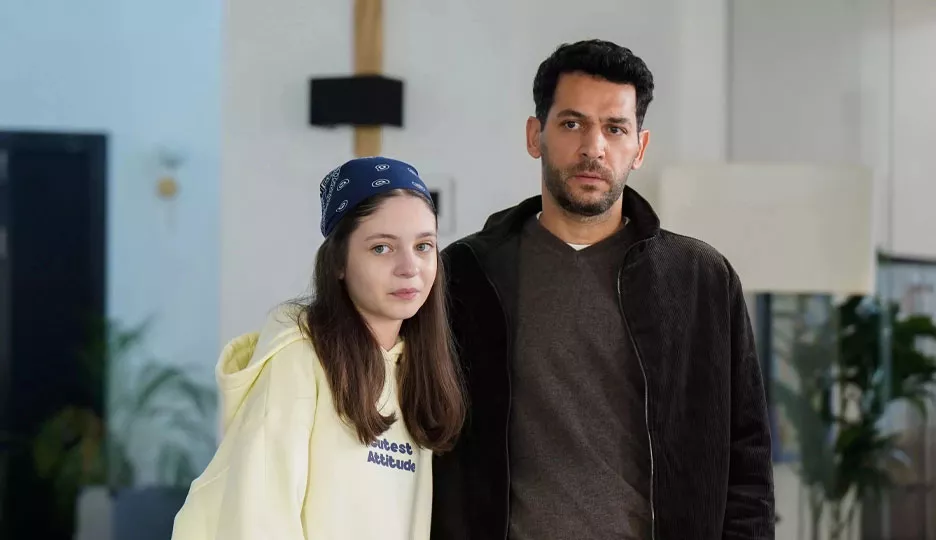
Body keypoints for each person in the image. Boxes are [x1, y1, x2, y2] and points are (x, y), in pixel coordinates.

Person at [431, 39, 775, 540]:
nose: (594, 148)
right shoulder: (466, 274)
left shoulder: (700, 279)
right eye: (572, 124)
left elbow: (748, 456)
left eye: (615, 128)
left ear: (640, 147)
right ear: (535, 136)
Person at [171, 156, 466, 540]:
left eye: (424, 246)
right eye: (381, 248)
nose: (409, 267)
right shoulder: (300, 361)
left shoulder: (418, 368)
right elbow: (257, 518)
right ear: (338, 263)